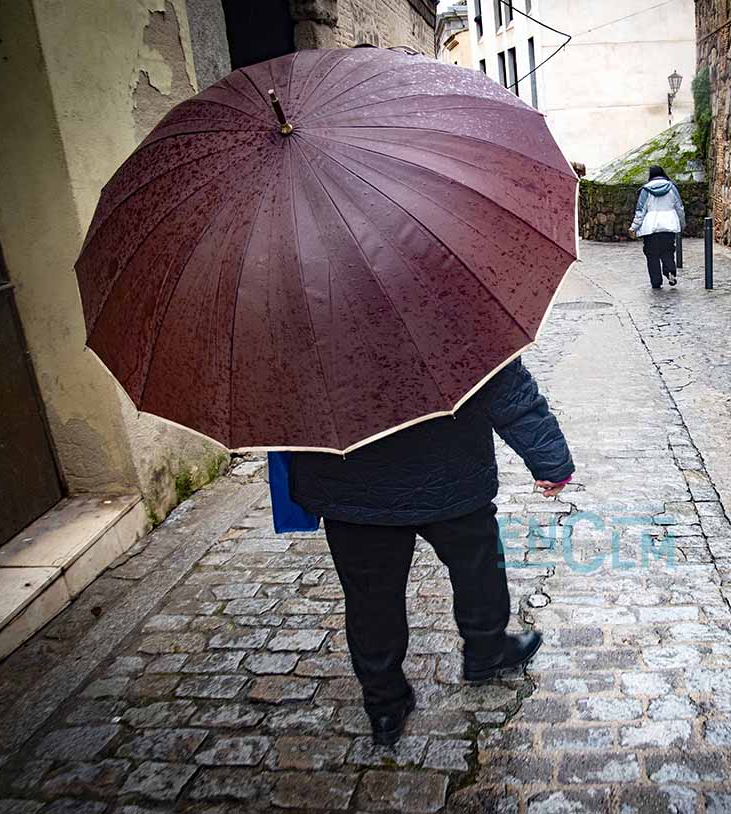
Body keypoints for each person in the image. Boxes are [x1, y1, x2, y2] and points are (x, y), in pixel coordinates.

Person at [288, 359, 574, 746]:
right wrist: (548, 456)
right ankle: (486, 649)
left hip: (350, 482)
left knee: (370, 598)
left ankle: (384, 703)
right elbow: (500, 379)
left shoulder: (297, 314)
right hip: (448, 467)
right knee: (477, 565)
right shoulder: (449, 299)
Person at [629, 165, 686, 289]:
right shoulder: (672, 188)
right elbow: (679, 208)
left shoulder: (645, 190)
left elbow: (640, 211)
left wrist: (633, 227)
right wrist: (682, 224)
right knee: (668, 250)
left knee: (652, 254)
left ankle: (656, 281)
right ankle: (670, 270)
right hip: (669, 225)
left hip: (650, 227)